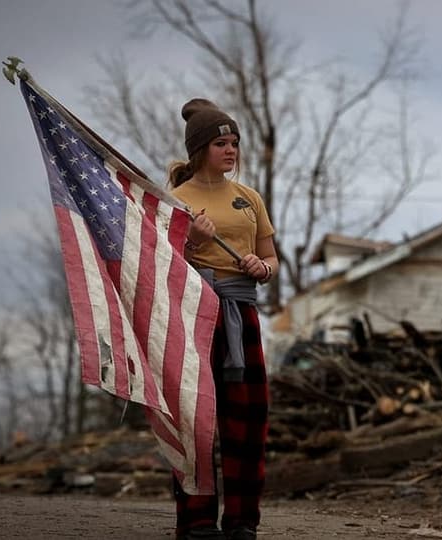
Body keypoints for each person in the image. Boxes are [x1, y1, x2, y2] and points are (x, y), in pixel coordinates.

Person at [168, 98, 277, 540]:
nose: (230, 150)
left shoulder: (247, 198)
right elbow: (163, 263)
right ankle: (195, 522)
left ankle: (241, 522)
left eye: (233, 142)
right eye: (220, 143)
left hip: (241, 316)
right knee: (195, 420)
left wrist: (262, 269)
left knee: (247, 419)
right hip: (193, 315)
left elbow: (271, 258)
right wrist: (191, 242)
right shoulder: (175, 200)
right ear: (200, 150)